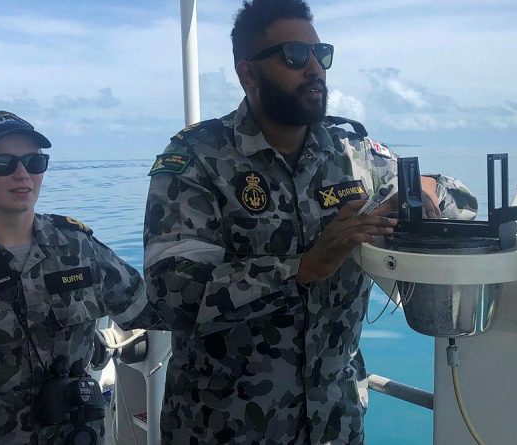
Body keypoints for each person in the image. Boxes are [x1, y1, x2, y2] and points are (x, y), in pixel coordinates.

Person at [143, 0, 478, 443]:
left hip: (333, 422)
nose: (314, 69)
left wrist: (427, 189)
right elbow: (173, 293)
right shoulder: (197, 159)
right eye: (294, 56)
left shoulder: (354, 153)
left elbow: (462, 202)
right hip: (225, 426)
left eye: (321, 55)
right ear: (248, 74)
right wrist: (302, 268)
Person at [0, 110, 158, 444]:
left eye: (35, 162)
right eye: (3, 163)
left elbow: (148, 307)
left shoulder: (77, 245)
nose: (23, 174)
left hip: (76, 435)